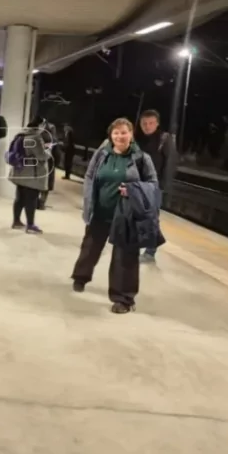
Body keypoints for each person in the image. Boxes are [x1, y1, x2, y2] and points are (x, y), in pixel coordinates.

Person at [70, 117, 158, 314]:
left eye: (124, 132)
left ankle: (124, 298)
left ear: (131, 134)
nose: (120, 136)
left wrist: (133, 190)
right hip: (100, 211)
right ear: (111, 136)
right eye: (116, 133)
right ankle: (80, 277)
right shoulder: (102, 154)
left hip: (126, 215)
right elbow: (90, 176)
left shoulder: (141, 158)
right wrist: (88, 201)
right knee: (90, 248)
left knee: (124, 257)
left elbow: (153, 184)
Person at [135, 109, 176, 263]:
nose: (147, 126)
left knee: (151, 217)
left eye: (151, 123)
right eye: (144, 123)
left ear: (157, 124)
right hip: (137, 184)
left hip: (154, 185)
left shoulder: (164, 139)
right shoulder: (136, 139)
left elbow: (170, 163)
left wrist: (164, 185)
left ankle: (150, 251)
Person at [7, 116, 48, 234]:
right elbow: (41, 156)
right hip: (32, 174)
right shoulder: (35, 138)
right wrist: (48, 151)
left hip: (20, 171)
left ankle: (16, 221)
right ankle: (30, 225)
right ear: (40, 125)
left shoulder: (21, 134)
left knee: (19, 198)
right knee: (31, 200)